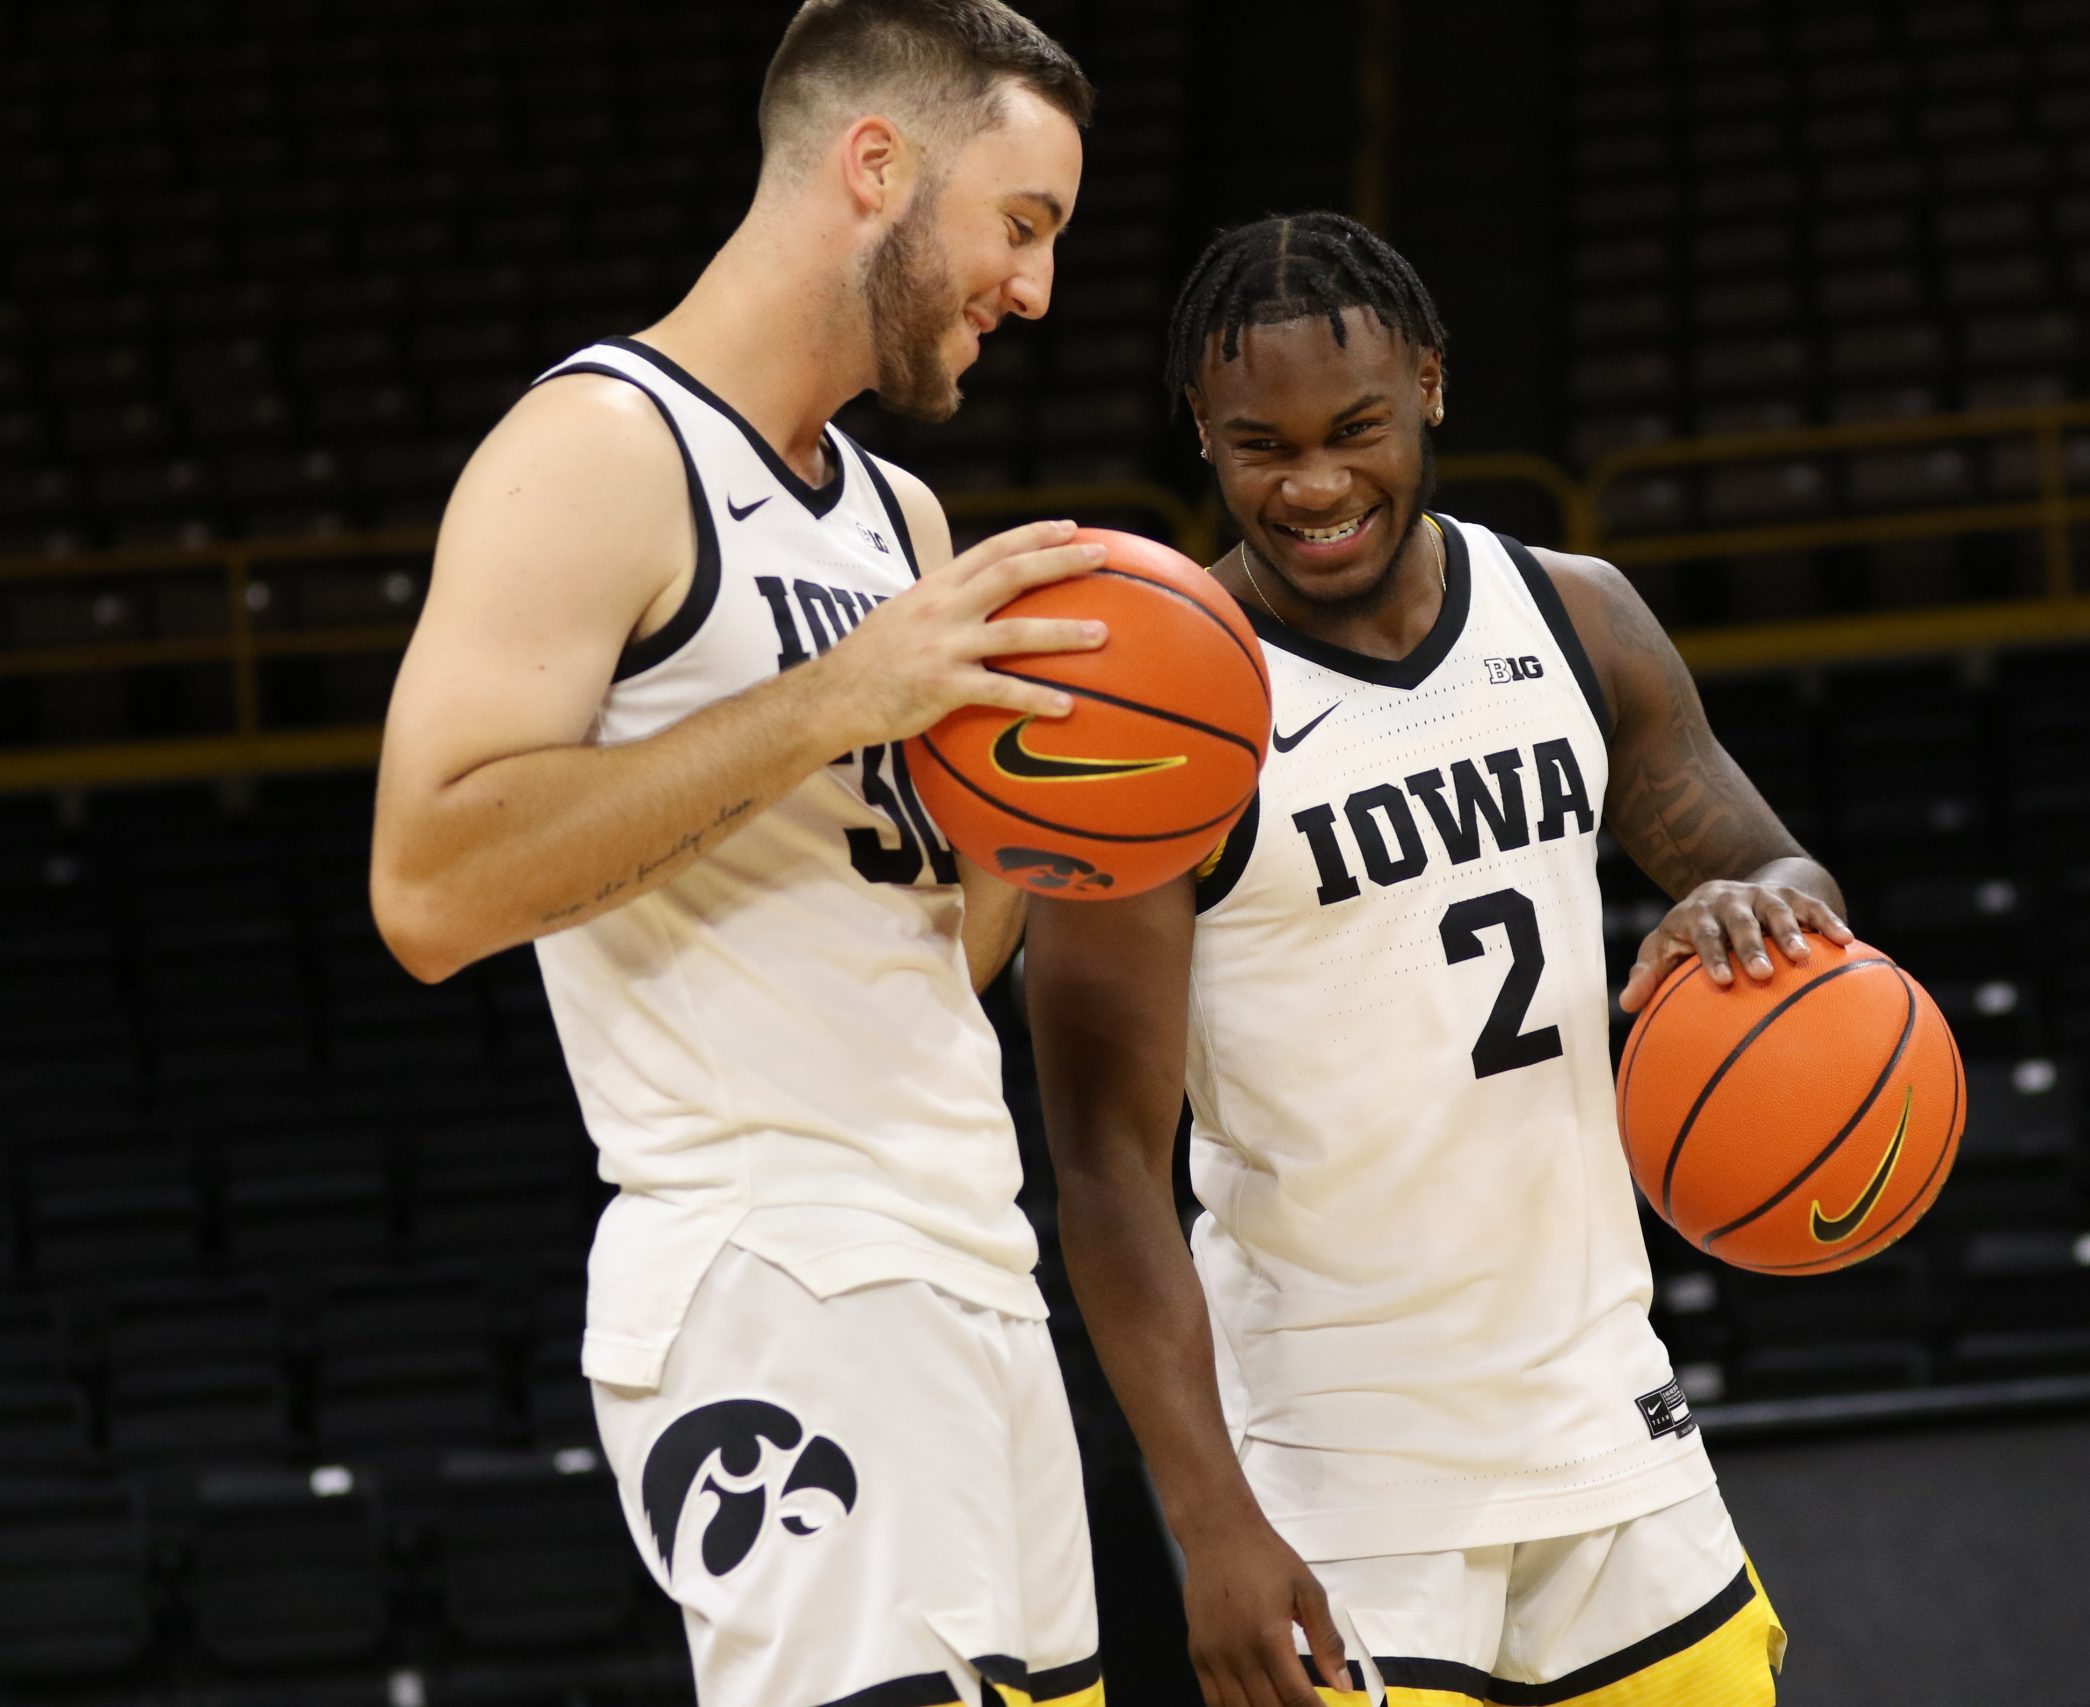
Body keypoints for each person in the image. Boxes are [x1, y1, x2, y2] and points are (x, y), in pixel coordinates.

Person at [370, 5, 1108, 1703]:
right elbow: (425, 892)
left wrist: (1049, 819)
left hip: (970, 1272)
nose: (1036, 289)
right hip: (772, 1268)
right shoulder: (598, 451)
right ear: (876, 168)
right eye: (1023, 225)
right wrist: (828, 699)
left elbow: (928, 957)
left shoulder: (898, 521)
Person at [1024, 213, 1844, 1707]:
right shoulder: (1150, 722)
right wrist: (1210, 1522)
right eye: (1259, 445)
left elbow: (1786, 874)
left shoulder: (1577, 615)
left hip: (1614, 1446)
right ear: (1199, 436)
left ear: (1434, 391)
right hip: (1341, 1488)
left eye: (1358, 429)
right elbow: (1099, 1167)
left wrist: (1750, 909)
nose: (1318, 484)